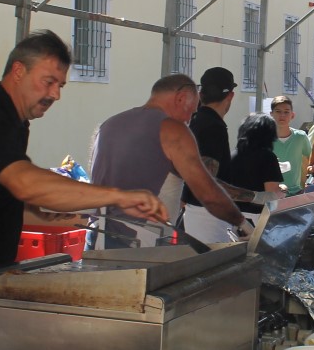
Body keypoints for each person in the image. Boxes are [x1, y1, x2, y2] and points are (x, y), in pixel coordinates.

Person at [0, 30, 167, 350]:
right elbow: (26, 184)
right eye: (48, 81)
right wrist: (117, 195)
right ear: (18, 71)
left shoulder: (15, 123)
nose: (55, 94)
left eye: (60, 85)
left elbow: (5, 202)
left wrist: (70, 218)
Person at [91, 73, 251, 245]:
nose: (190, 120)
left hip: (95, 234)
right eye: (191, 112)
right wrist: (242, 223)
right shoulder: (172, 129)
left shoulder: (108, 124)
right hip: (138, 241)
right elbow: (208, 193)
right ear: (181, 98)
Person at [183, 66, 237, 231]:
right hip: (208, 215)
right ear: (230, 95)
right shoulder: (213, 127)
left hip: (198, 211)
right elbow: (208, 183)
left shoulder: (196, 119)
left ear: (201, 94)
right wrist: (257, 197)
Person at [224, 113, 285, 194]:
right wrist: (282, 189)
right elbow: (272, 195)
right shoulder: (268, 158)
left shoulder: (232, 156)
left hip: (232, 205)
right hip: (257, 206)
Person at [269, 94, 311, 195]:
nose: (282, 115)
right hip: (272, 193)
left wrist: (304, 186)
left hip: (296, 192)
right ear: (271, 114)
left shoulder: (300, 137)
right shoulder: (265, 138)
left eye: (286, 112)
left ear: (292, 115)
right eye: (278, 111)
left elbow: (308, 161)